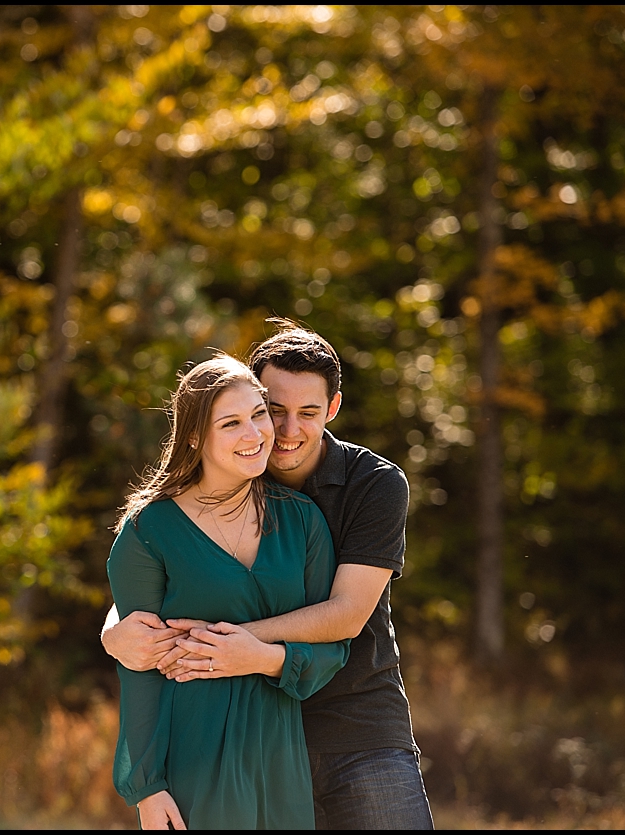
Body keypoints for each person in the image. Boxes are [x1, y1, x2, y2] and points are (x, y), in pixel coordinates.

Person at [103, 321, 435, 829]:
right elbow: (160, 573)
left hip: (357, 729)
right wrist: (115, 632)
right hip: (253, 736)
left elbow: (345, 614)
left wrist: (229, 646)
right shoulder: (226, 471)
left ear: (333, 409)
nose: (283, 430)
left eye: (308, 413)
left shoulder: (369, 486)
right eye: (272, 410)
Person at [107, 353, 350, 830]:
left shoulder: (303, 521)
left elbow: (331, 648)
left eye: (259, 414)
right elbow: (138, 668)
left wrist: (261, 656)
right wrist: (148, 789)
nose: (255, 434)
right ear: (195, 435)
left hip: (279, 758)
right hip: (191, 757)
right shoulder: (148, 530)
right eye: (232, 423)